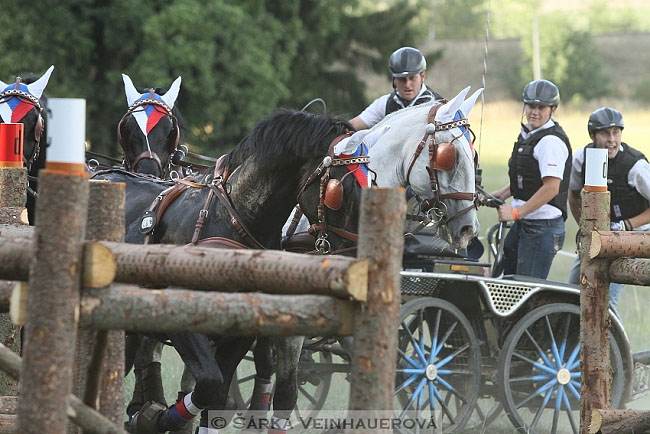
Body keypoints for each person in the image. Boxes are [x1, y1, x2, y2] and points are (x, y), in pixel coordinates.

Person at [567, 107, 650, 315]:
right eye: (605, 133)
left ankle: (615, 347)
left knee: (605, 301)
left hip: (635, 235)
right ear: (593, 136)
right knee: (571, 291)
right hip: (601, 236)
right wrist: (585, 226)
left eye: (616, 132)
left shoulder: (636, 165)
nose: (612, 139)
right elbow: (573, 193)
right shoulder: (582, 158)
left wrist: (626, 226)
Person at [490, 79, 572, 279]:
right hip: (526, 222)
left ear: (553, 109)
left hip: (541, 227)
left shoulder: (550, 141)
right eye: (531, 106)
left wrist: (516, 213)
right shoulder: (530, 134)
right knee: (505, 282)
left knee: (524, 291)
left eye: (541, 107)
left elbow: (551, 188)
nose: (534, 112)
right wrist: (500, 194)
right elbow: (527, 178)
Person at [349, 46, 445, 130]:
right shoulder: (384, 103)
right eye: (402, 79)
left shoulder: (438, 106)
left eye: (412, 78)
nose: (407, 84)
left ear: (422, 76)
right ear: (394, 79)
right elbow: (353, 125)